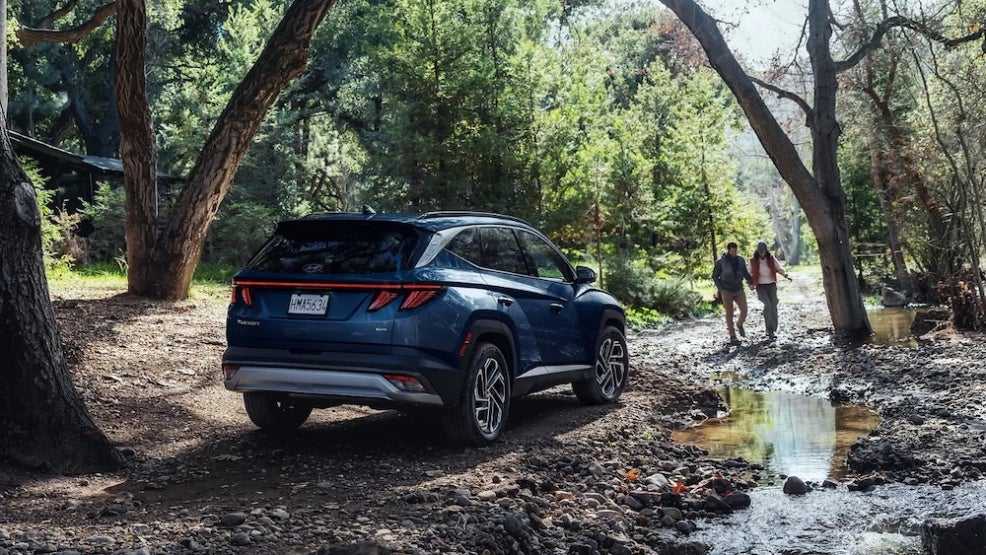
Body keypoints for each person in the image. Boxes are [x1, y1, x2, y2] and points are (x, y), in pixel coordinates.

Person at [712, 242, 753, 345]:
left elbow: (745, 272)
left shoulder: (740, 260)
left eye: (735, 251)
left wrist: (750, 282)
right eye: (732, 251)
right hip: (726, 290)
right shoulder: (721, 262)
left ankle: (740, 324)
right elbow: (715, 276)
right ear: (728, 250)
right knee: (729, 313)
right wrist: (721, 289)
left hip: (739, 288)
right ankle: (732, 335)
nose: (734, 253)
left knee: (744, 310)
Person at [750, 241, 792, 340]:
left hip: (771, 285)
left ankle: (773, 328)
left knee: (773, 306)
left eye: (763, 251)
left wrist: (785, 275)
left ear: (766, 251)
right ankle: (769, 329)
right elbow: (749, 273)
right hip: (760, 286)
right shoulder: (753, 261)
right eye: (760, 252)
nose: (762, 253)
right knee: (767, 305)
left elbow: (779, 268)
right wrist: (750, 283)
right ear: (758, 251)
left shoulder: (771, 259)